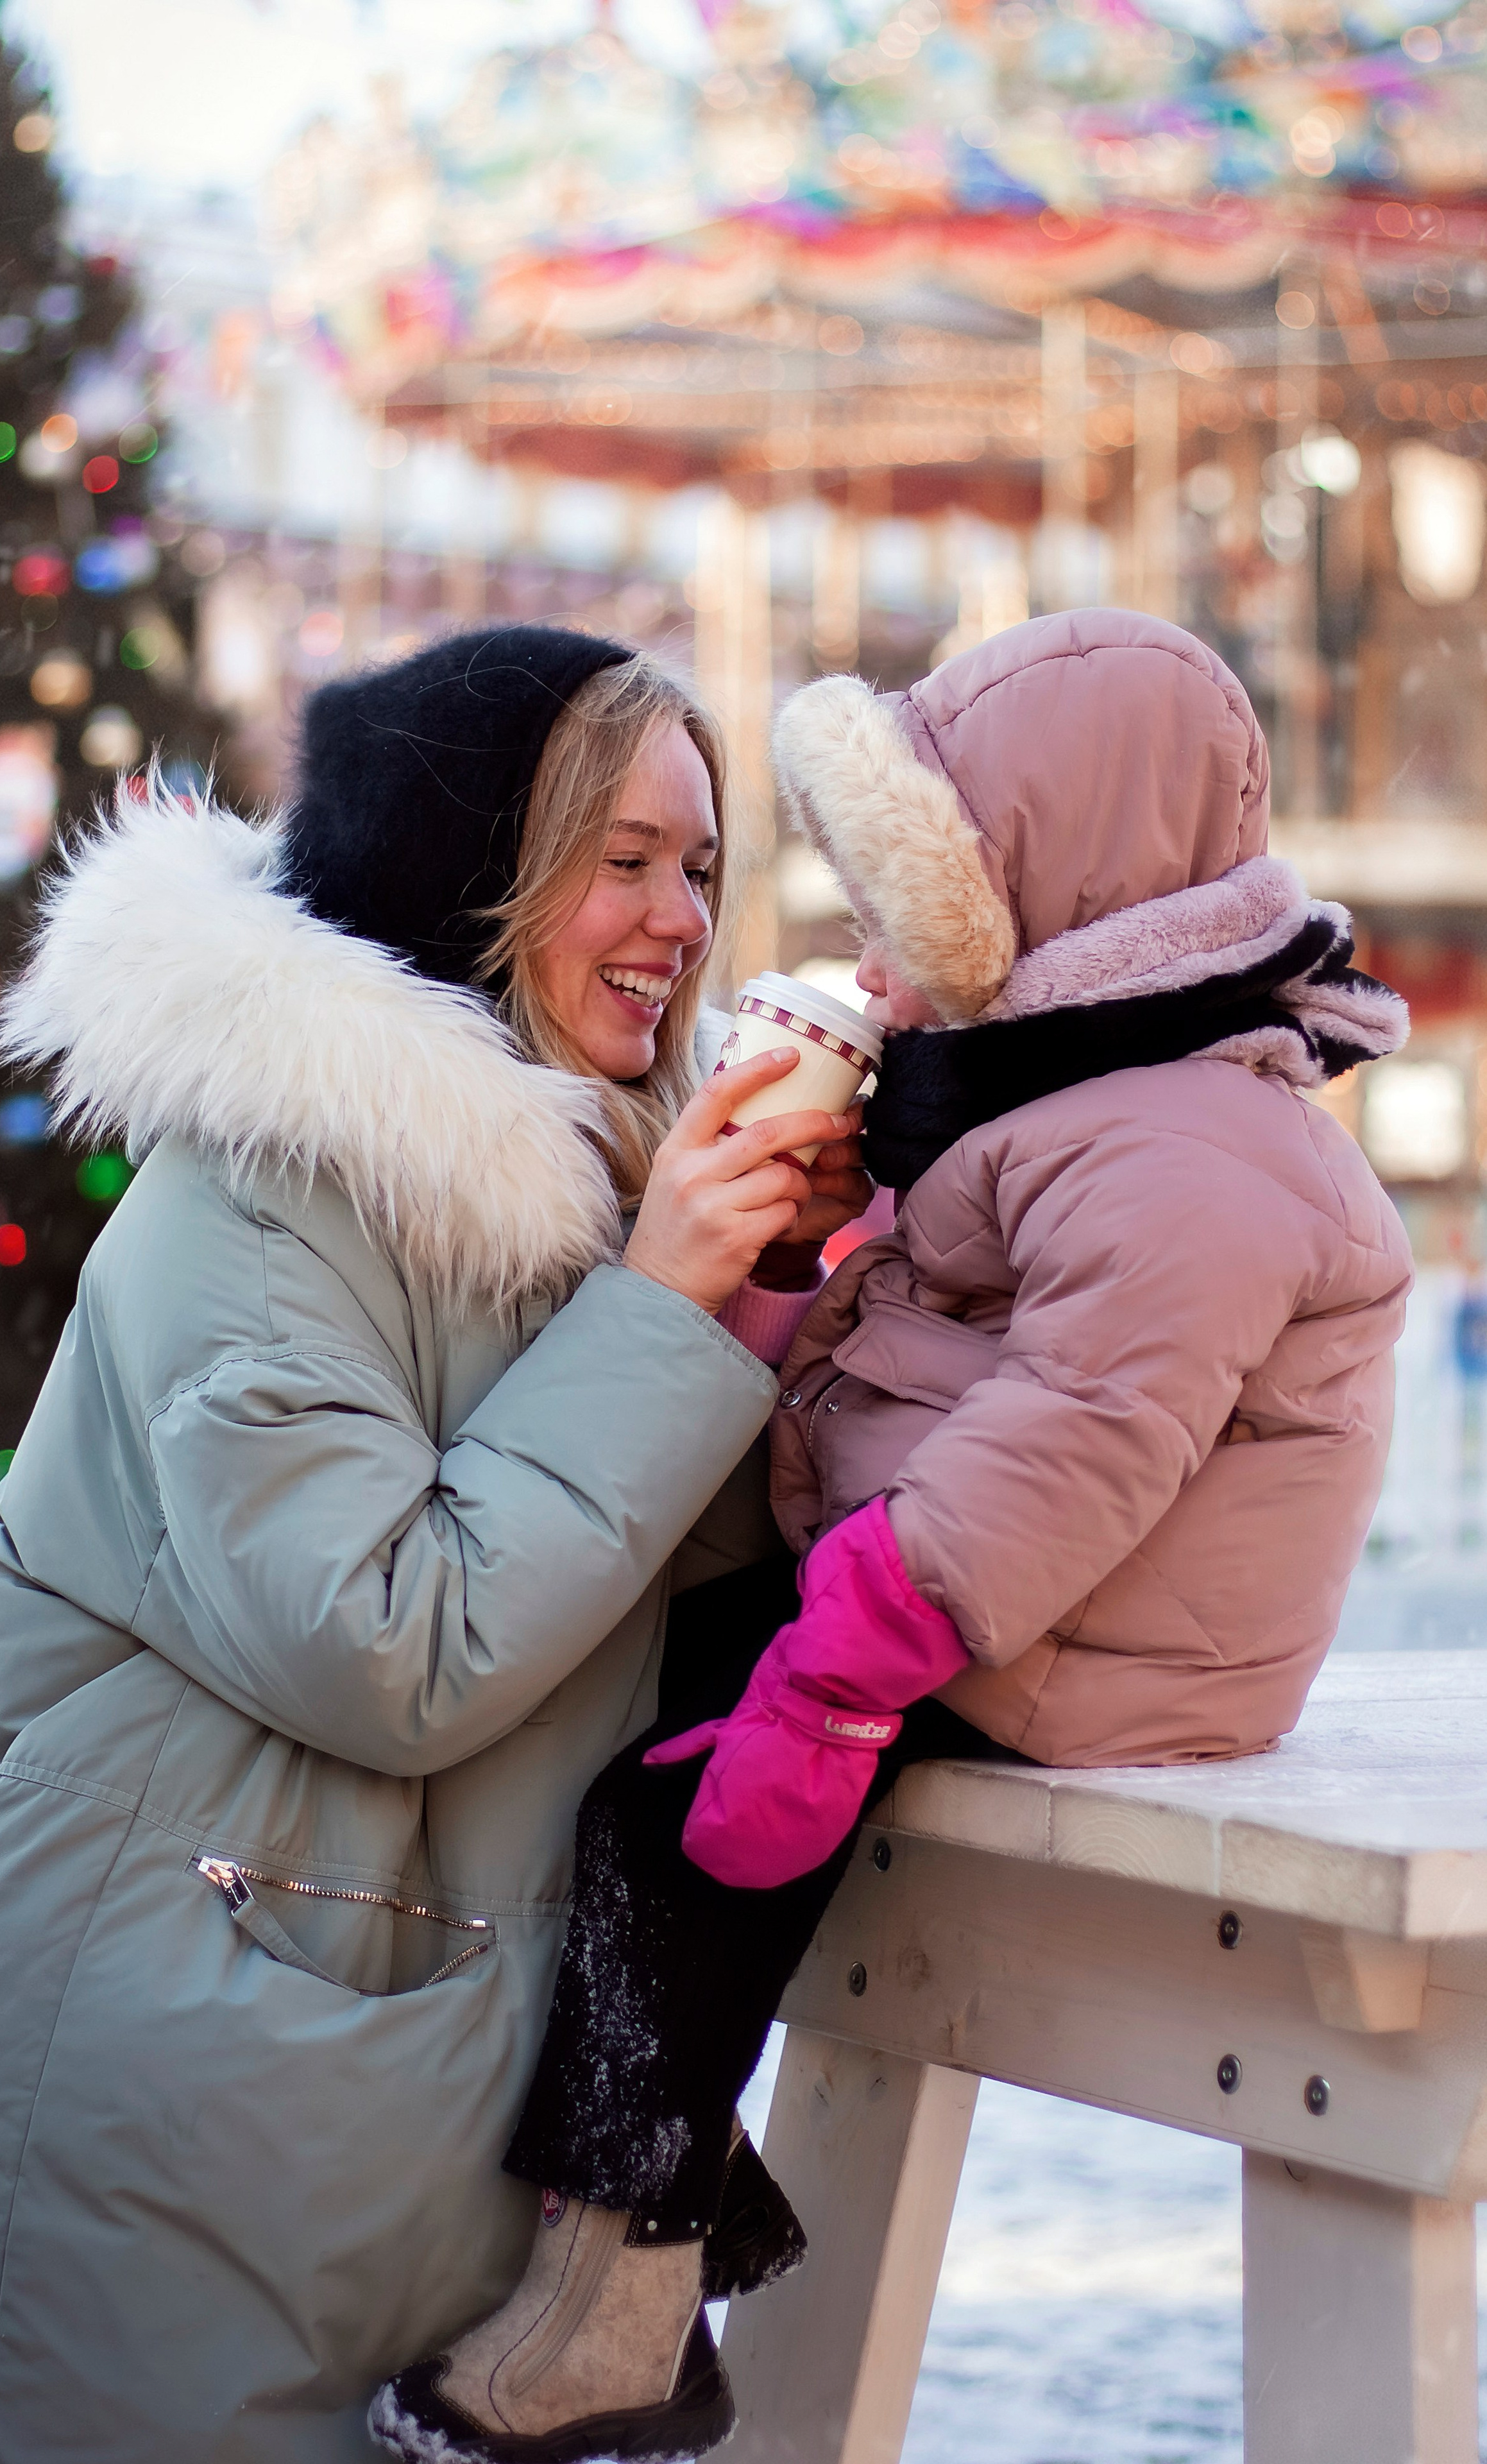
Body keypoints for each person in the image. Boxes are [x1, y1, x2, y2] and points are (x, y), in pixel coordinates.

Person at [373, 609, 1415, 2464]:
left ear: (1047, 876)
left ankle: (624, 2297)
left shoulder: (1190, 1146)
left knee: (678, 1820)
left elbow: (1082, 1440)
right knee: (622, 1751)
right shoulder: (1069, 1093)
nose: (869, 949)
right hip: (959, 1589)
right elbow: (947, 1357)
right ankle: (638, 2226)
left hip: (1084, 1633)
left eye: (916, 892)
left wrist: (837, 1672)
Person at [0, 625, 871, 2464]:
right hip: (164, 2101)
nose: (678, 920)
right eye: (620, 860)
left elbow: (661, 1598)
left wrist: (772, 1295)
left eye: (701, 867)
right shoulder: (257, 1192)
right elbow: (387, 1645)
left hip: (381, 2103)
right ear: (469, 871)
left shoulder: (587, 1187)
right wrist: (668, 1300)